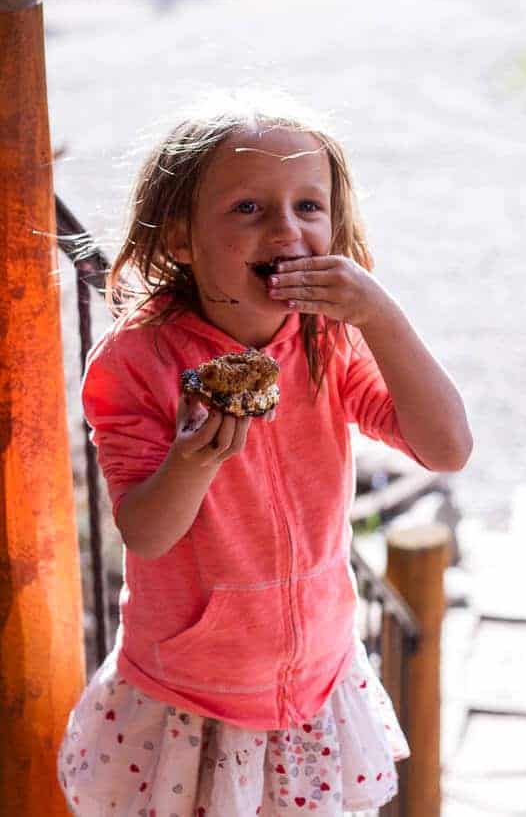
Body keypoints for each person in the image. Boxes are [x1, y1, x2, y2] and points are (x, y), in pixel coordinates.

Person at [57, 88, 473, 816]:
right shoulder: (136, 359)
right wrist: (193, 461)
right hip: (194, 696)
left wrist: (379, 313)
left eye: (308, 206)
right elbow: (146, 532)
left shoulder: (328, 336)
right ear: (180, 238)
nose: (286, 228)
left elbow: (447, 447)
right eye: (248, 207)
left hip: (317, 679)